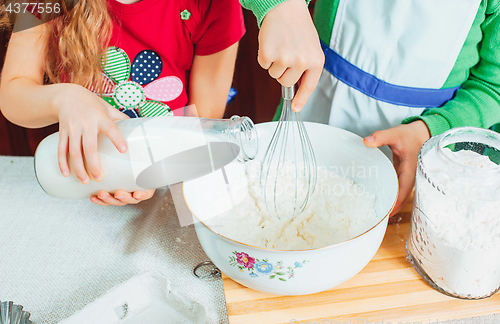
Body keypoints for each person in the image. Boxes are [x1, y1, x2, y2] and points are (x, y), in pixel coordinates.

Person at [242, 0, 500, 215]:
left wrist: (428, 132)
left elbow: (492, 87)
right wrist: (280, 6)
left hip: (417, 170)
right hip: (310, 116)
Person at [0, 0, 245, 206]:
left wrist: (156, 172)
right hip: (80, 180)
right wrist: (66, 97)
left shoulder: (215, 3)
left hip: (172, 178)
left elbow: (202, 122)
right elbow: (13, 93)